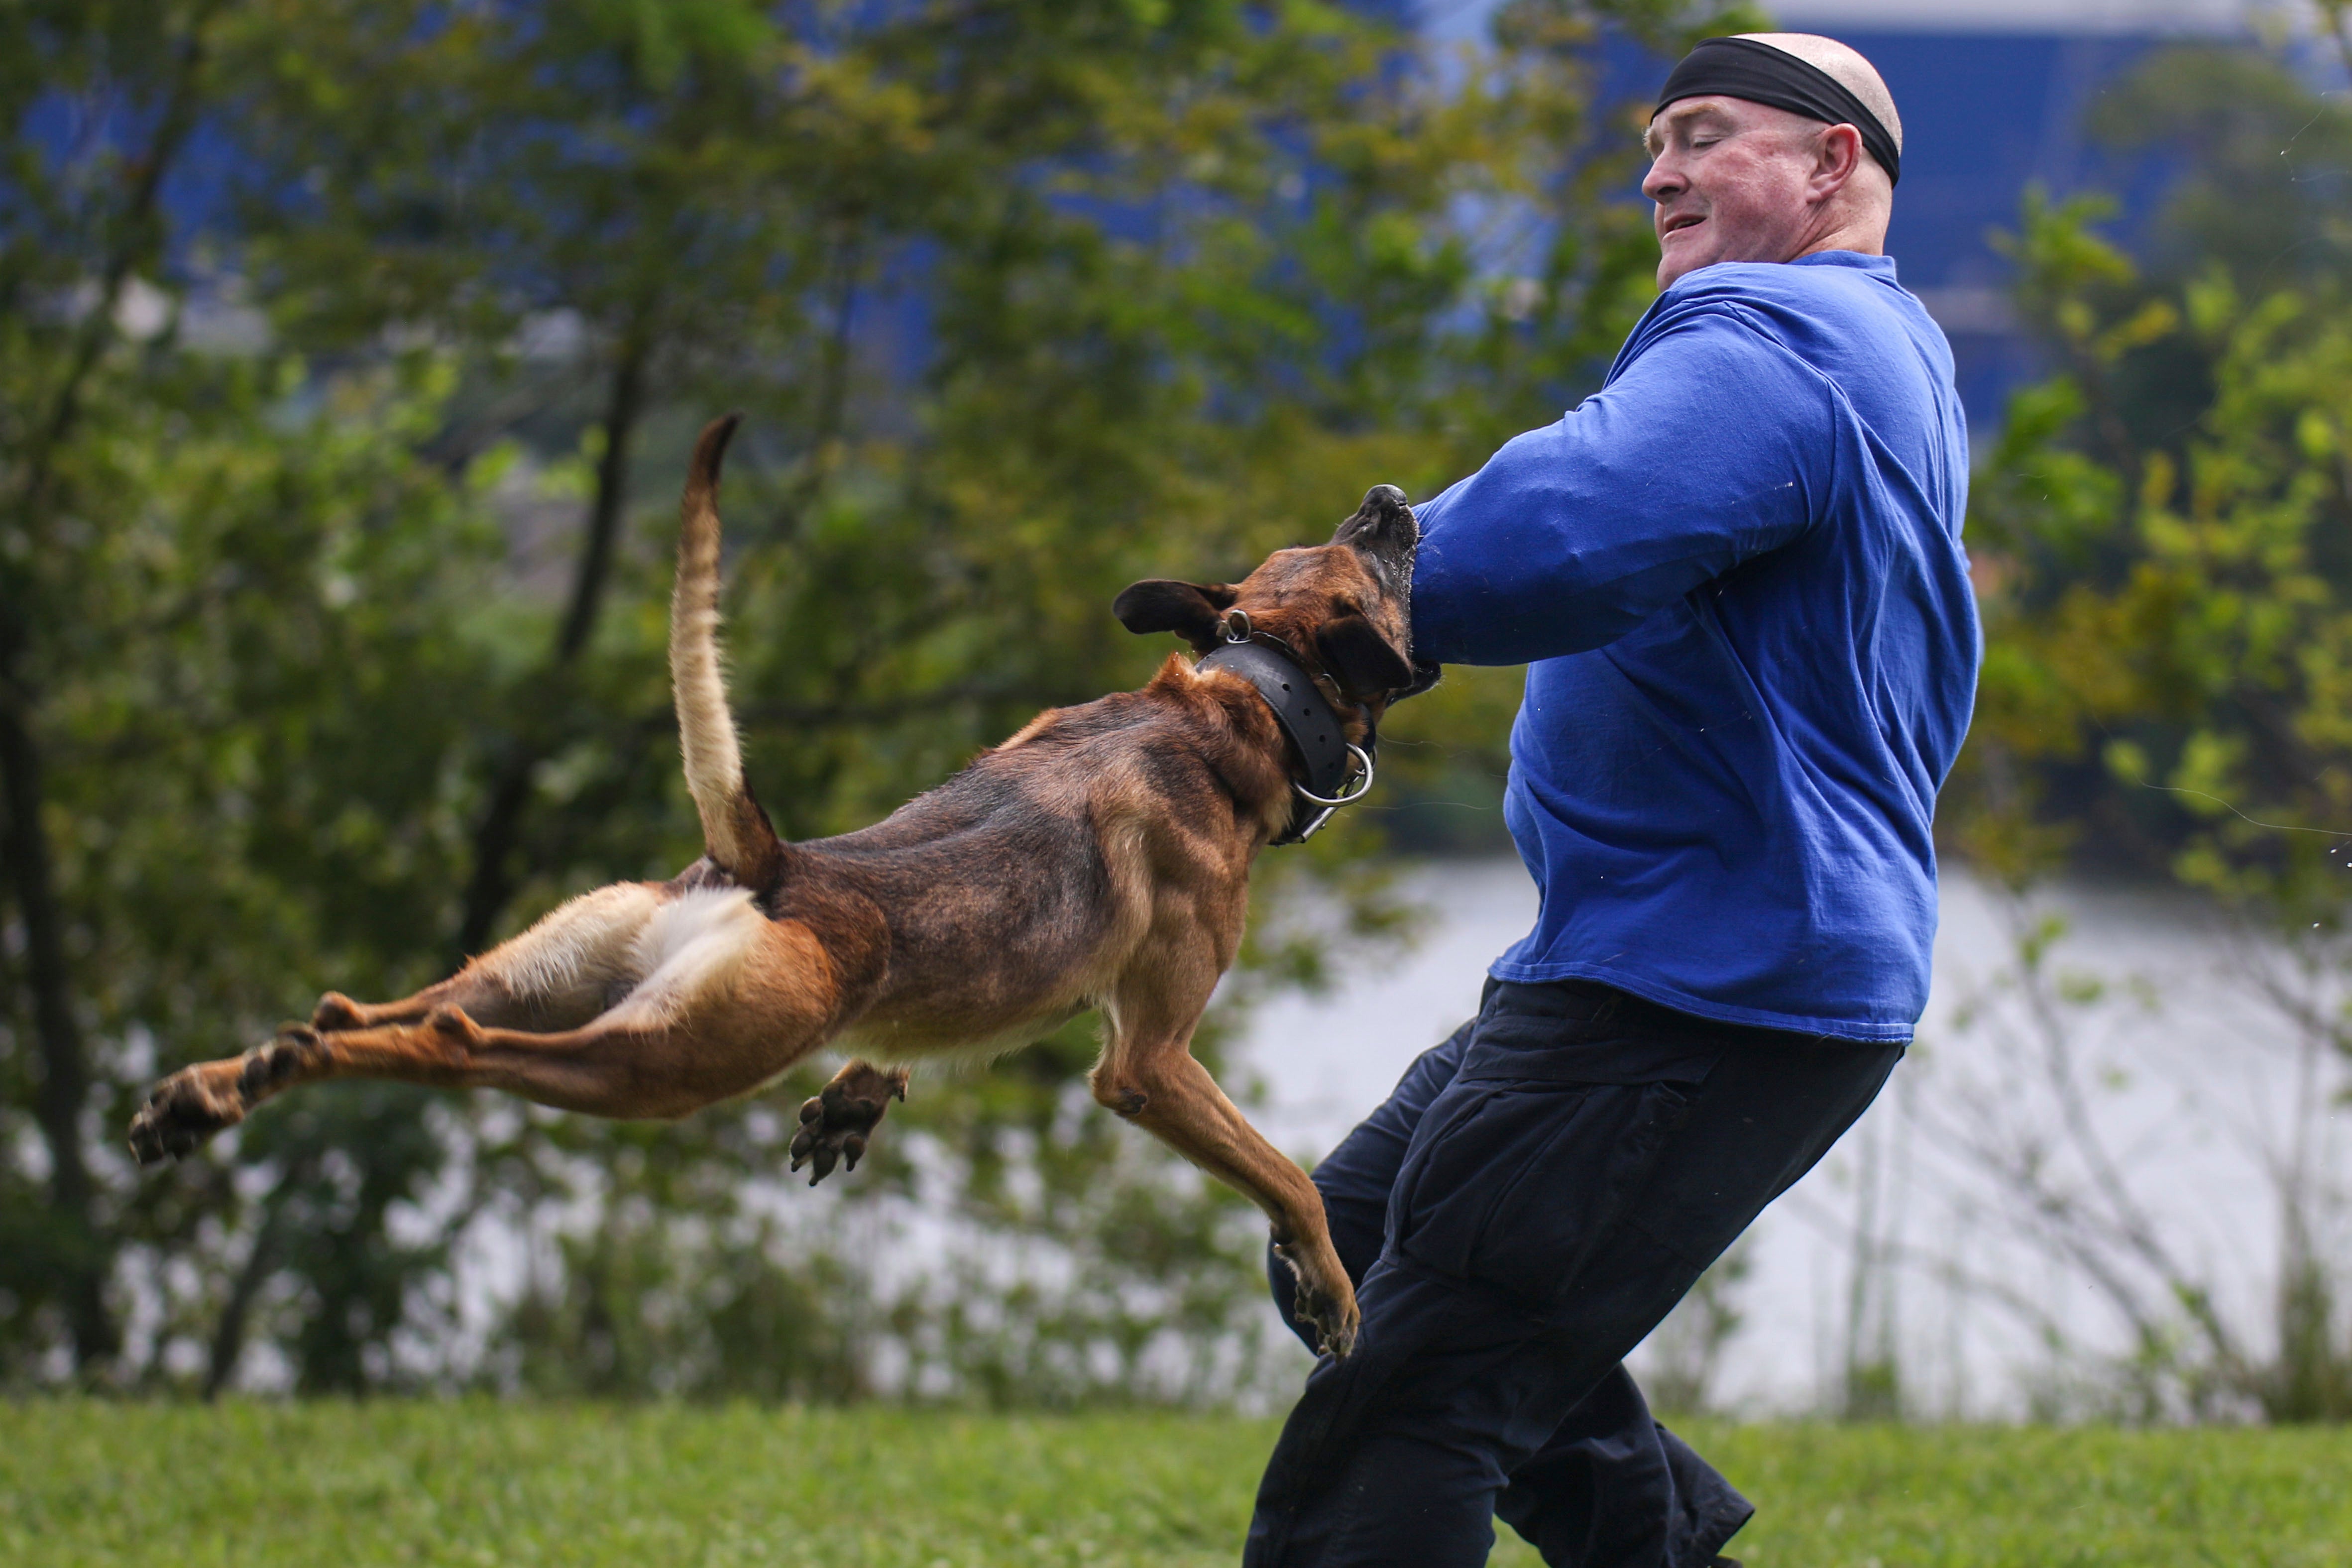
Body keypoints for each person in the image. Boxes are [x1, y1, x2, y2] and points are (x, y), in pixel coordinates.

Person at [1246, 33, 1977, 1568]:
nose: (1657, 172)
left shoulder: (1776, 340)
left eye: (1704, 136)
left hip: (1706, 984)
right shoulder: (1875, 344)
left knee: (1413, 1405)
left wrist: (1298, 619)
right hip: (1675, 957)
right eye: (1653, 142)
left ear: (1831, 164)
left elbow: (1555, 535)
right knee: (1358, 1237)